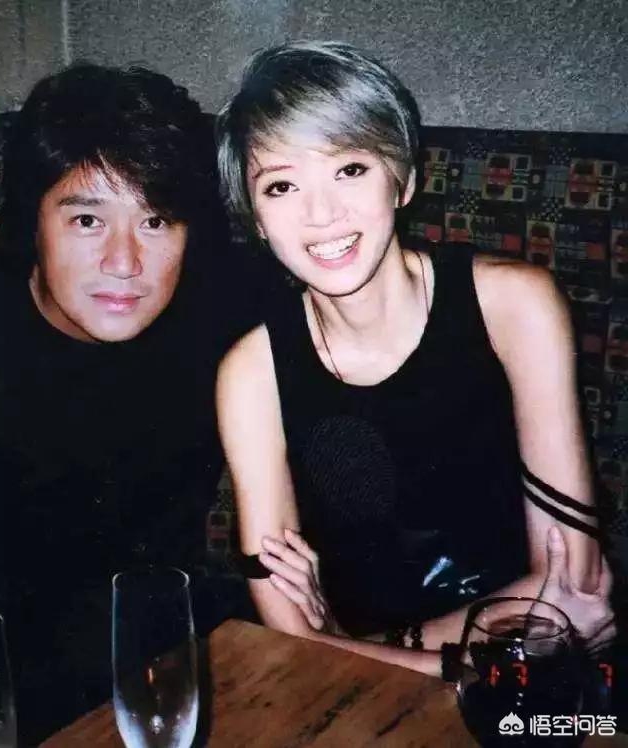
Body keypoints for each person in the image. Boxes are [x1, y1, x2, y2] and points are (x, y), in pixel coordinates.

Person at [215, 40, 609, 677]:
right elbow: (288, 633)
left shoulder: (513, 305)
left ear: (403, 180)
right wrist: (466, 649)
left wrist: (346, 644)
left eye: (350, 169)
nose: (321, 214)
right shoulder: (251, 372)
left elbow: (575, 585)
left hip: (528, 691)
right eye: (281, 186)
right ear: (256, 219)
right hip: (360, 692)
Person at [0, 63, 270, 743]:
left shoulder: (229, 309)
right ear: (31, 223)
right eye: (88, 219)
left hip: (165, 666)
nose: (124, 262)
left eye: (156, 221)